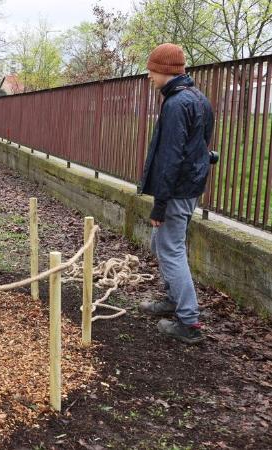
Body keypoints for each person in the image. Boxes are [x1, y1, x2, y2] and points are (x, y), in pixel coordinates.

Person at [137, 43, 214, 345]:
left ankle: (188, 321)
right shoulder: (198, 99)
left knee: (170, 250)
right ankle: (173, 299)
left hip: (178, 190)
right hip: (190, 186)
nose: (149, 77)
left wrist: (160, 205)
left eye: (151, 71)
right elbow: (200, 145)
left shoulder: (176, 104)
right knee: (161, 245)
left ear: (164, 71)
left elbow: (171, 158)